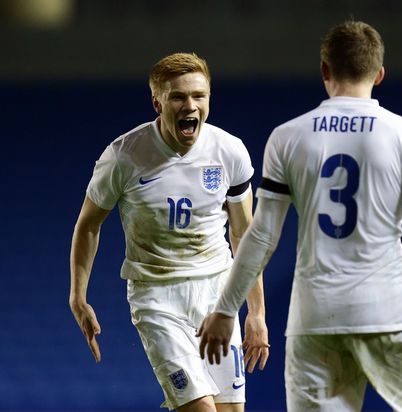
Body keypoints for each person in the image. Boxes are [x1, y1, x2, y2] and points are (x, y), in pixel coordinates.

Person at [198, 21, 402, 411]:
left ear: (325, 70)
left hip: (314, 322)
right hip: (387, 313)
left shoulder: (287, 137)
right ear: (379, 75)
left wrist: (226, 309)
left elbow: (261, 234)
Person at [69, 52, 270, 412]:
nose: (190, 105)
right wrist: (78, 296)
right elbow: (89, 224)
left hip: (217, 294)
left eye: (199, 96)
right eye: (178, 97)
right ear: (157, 103)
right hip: (157, 297)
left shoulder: (229, 152)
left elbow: (243, 235)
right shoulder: (124, 155)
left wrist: (257, 313)